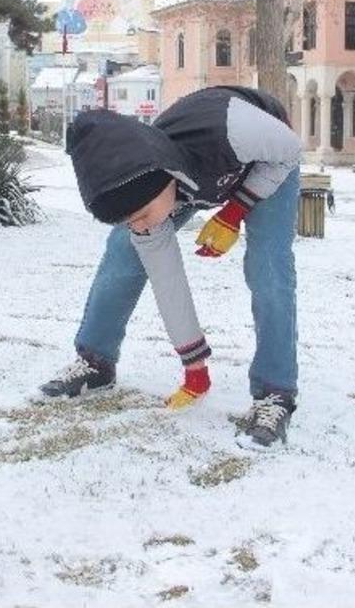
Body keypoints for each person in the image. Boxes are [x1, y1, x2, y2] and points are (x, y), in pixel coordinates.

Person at [40, 86, 302, 451]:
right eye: (132, 219)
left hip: (269, 159)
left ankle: (275, 391)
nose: (142, 225)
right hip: (189, 177)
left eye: (143, 215)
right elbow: (168, 280)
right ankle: (96, 361)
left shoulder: (236, 129)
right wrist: (195, 365)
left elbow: (290, 147)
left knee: (268, 266)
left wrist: (234, 211)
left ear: (165, 179)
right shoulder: (146, 189)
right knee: (123, 249)